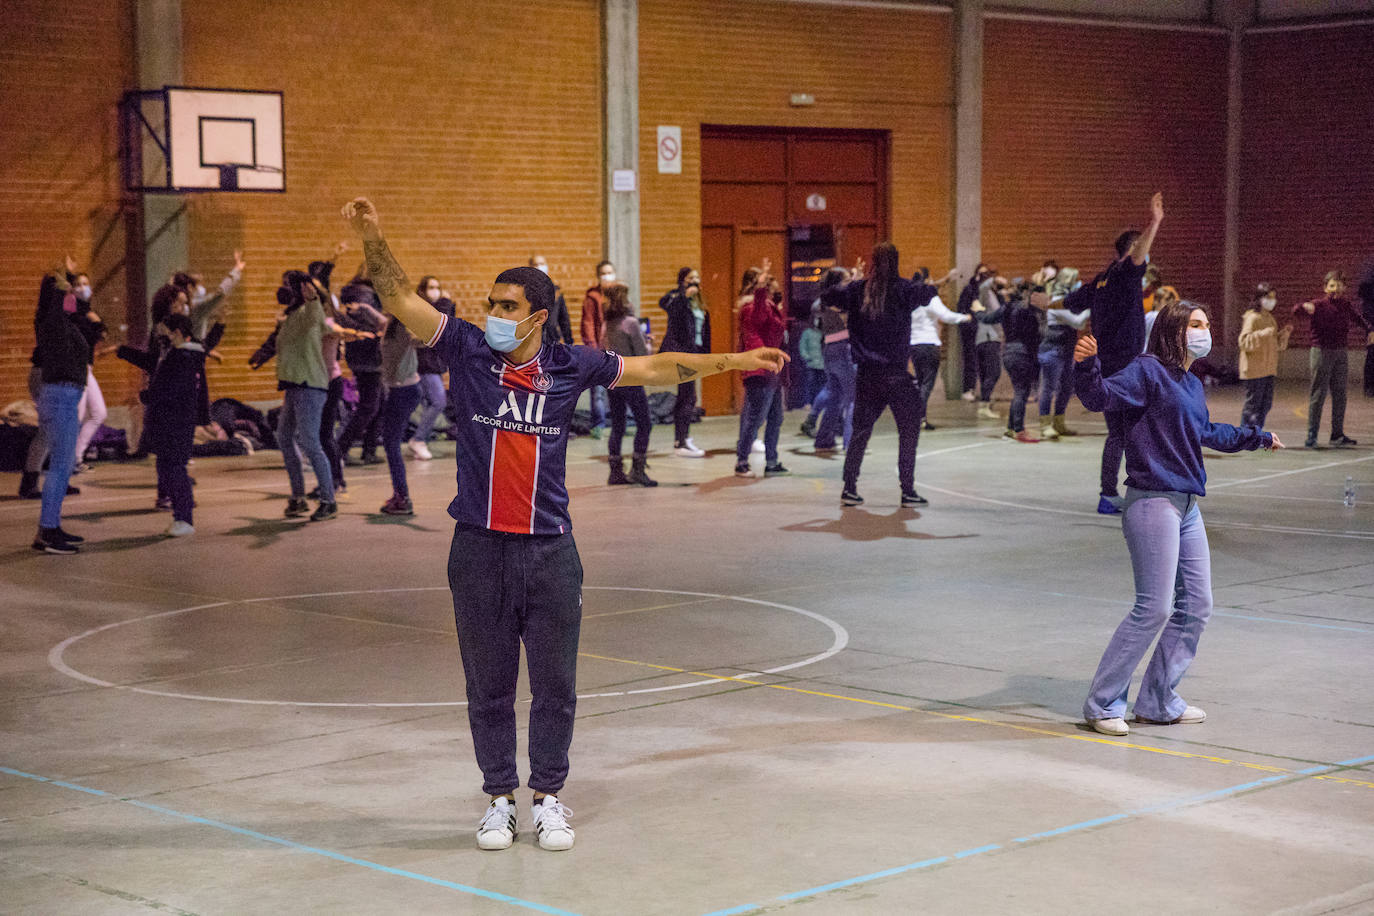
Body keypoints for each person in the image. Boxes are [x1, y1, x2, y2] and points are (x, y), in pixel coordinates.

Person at [341, 195, 786, 852]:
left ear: (538, 317)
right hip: (479, 550)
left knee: (555, 686)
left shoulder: (569, 365)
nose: (492, 315)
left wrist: (737, 362)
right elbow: (403, 298)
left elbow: (655, 367)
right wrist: (371, 236)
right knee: (487, 685)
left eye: (507, 306)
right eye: (490, 304)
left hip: (550, 553)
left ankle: (549, 796)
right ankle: (499, 799)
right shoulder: (467, 350)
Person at [1074, 300, 1281, 737]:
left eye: (1206, 323)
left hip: (1186, 506)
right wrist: (1086, 366)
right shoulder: (1146, 370)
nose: (1204, 330)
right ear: (1174, 329)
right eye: (1195, 324)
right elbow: (1100, 398)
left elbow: (1206, 431)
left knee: (1198, 606)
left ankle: (1157, 701)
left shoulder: (1189, 381)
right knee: (1154, 608)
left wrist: (1255, 438)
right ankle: (1103, 704)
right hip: (1152, 502)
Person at [1050, 192, 1165, 514]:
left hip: (1107, 366)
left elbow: (1068, 302)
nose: (1147, 258)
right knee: (1138, 428)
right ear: (1132, 252)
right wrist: (1155, 221)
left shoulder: (1101, 280)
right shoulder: (1126, 274)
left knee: (1118, 432)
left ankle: (1109, 493)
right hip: (1126, 368)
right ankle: (1142, 489)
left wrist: (1044, 303)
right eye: (1143, 252)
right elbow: (1139, 253)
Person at [820, 243, 941, 507]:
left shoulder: (857, 290)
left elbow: (827, 295)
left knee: (861, 432)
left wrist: (852, 281)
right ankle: (907, 491)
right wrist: (926, 282)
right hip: (896, 375)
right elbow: (930, 292)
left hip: (867, 376)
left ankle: (849, 488)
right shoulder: (904, 288)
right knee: (909, 430)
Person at [29, 270, 91, 554]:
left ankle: (50, 526)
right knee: (61, 466)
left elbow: (81, 314)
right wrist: (60, 284)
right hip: (61, 397)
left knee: (62, 466)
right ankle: (48, 531)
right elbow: (60, 305)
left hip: (65, 396)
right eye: (66, 290)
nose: (72, 294)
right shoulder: (50, 321)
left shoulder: (62, 322)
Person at [274, 270, 337, 521]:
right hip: (293, 384)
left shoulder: (309, 312)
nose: (283, 289)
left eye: (288, 285)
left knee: (310, 442)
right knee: (284, 437)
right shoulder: (291, 317)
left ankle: (328, 500)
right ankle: (298, 497)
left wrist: (312, 299)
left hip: (310, 385)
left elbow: (316, 319)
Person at [144, 312, 208, 537]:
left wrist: (149, 396)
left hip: (174, 421)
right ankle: (181, 516)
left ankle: (184, 517)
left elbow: (171, 390)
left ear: (178, 333)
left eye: (167, 334)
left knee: (174, 467)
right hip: (177, 420)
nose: (164, 339)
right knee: (168, 465)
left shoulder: (182, 358)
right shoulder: (187, 357)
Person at [1294, 271, 1371, 448]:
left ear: (1344, 287)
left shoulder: (1345, 305)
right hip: (1321, 352)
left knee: (1340, 395)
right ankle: (1311, 435)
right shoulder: (1319, 305)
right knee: (1318, 395)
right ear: (1325, 287)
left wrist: (1370, 330)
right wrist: (1304, 307)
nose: (1335, 289)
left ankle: (1337, 434)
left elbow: (1358, 319)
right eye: (1332, 285)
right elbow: (1297, 310)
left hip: (1340, 353)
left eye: (1339, 285)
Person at [734, 265, 789, 478]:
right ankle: (741, 461)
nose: (774, 283)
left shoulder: (770, 306)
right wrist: (759, 290)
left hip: (773, 368)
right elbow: (758, 319)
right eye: (769, 281)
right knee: (755, 418)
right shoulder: (751, 307)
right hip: (760, 367)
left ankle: (772, 461)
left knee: (776, 417)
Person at [602, 283, 657, 486]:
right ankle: (638, 469)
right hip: (631, 377)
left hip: (612, 378)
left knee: (618, 425)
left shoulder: (607, 323)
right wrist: (648, 342)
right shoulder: (631, 323)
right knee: (644, 423)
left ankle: (615, 471)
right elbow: (642, 353)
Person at [906, 267, 970, 430]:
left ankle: (920, 417)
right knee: (927, 384)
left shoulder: (909, 299)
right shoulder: (930, 298)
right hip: (929, 344)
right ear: (927, 280)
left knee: (920, 382)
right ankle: (919, 417)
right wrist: (965, 317)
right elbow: (946, 316)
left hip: (913, 345)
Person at [334, 273, 387, 465]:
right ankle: (340, 449)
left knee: (379, 405)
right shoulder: (365, 296)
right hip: (368, 362)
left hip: (366, 361)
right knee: (368, 408)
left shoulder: (361, 294)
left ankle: (369, 450)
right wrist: (377, 333)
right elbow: (371, 325)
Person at [659, 267, 711, 457]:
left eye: (697, 277)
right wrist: (683, 295)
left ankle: (682, 438)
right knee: (688, 397)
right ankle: (681, 442)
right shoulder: (676, 297)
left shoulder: (699, 301)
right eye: (691, 278)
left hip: (695, 353)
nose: (695, 281)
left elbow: (705, 331)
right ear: (682, 281)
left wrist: (707, 357)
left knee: (686, 396)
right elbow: (664, 305)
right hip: (682, 354)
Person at [1037, 267, 1089, 440]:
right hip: (1053, 350)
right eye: (1076, 281)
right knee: (1049, 388)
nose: (1078, 285)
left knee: (1066, 388)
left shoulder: (1067, 302)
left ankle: (1059, 422)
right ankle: (1045, 425)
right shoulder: (1057, 301)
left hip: (1066, 350)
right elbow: (1078, 323)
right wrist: (1092, 304)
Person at [378, 314, 421, 515]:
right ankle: (400, 495)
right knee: (390, 443)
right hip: (398, 390)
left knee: (391, 443)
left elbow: (417, 339)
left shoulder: (404, 325)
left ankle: (403, 498)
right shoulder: (390, 322)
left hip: (405, 391)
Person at [408, 275, 454, 460]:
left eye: (437, 287)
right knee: (438, 401)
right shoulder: (421, 308)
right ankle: (418, 440)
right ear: (422, 290)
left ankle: (421, 439)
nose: (435, 291)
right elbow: (436, 323)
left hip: (434, 363)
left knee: (430, 402)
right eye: (431, 287)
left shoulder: (440, 307)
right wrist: (446, 302)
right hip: (424, 364)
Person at [812, 267, 855, 454]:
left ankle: (824, 440)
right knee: (854, 398)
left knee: (835, 396)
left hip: (829, 349)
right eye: (846, 280)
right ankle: (851, 443)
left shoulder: (819, 303)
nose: (849, 283)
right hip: (845, 348)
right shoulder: (843, 301)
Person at [995, 279, 1043, 443]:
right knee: (1022, 392)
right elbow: (1033, 337)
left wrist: (977, 311)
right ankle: (1018, 430)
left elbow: (988, 317)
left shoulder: (1006, 309)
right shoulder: (1026, 312)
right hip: (1021, 353)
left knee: (1018, 391)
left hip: (1007, 352)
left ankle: (1010, 429)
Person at [1237, 283, 1290, 430]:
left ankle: (1256, 433)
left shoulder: (1270, 318)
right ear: (1259, 298)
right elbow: (1243, 341)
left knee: (1265, 404)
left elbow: (1275, 344)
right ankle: (1246, 434)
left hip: (1268, 369)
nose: (1272, 301)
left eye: (1274, 297)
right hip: (1254, 370)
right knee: (1253, 405)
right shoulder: (1252, 318)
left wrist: (1283, 335)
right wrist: (1262, 334)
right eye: (1268, 297)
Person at [580, 260, 616, 438]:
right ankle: (598, 425)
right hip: (600, 349)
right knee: (598, 391)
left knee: (618, 388)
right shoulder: (592, 298)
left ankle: (620, 422)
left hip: (617, 348)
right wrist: (593, 349)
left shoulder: (617, 296)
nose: (607, 276)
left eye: (610, 272)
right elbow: (587, 323)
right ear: (598, 276)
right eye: (604, 273)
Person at [955, 264, 993, 401]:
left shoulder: (989, 291)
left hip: (986, 332)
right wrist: (970, 324)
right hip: (972, 331)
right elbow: (962, 309)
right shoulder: (970, 289)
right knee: (971, 361)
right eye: (981, 274)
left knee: (986, 363)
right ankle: (968, 389)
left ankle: (985, 392)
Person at [973, 272, 1005, 420]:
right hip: (987, 338)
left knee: (988, 374)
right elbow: (983, 287)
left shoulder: (993, 295)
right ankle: (984, 405)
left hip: (990, 338)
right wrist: (994, 279)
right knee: (994, 372)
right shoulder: (985, 294)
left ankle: (985, 403)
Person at [530, 255, 574, 347]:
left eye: (542, 264)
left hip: (552, 340)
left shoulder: (556, 292)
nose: (539, 267)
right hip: (532, 341)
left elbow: (564, 318)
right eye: (535, 264)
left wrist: (568, 341)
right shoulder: (525, 291)